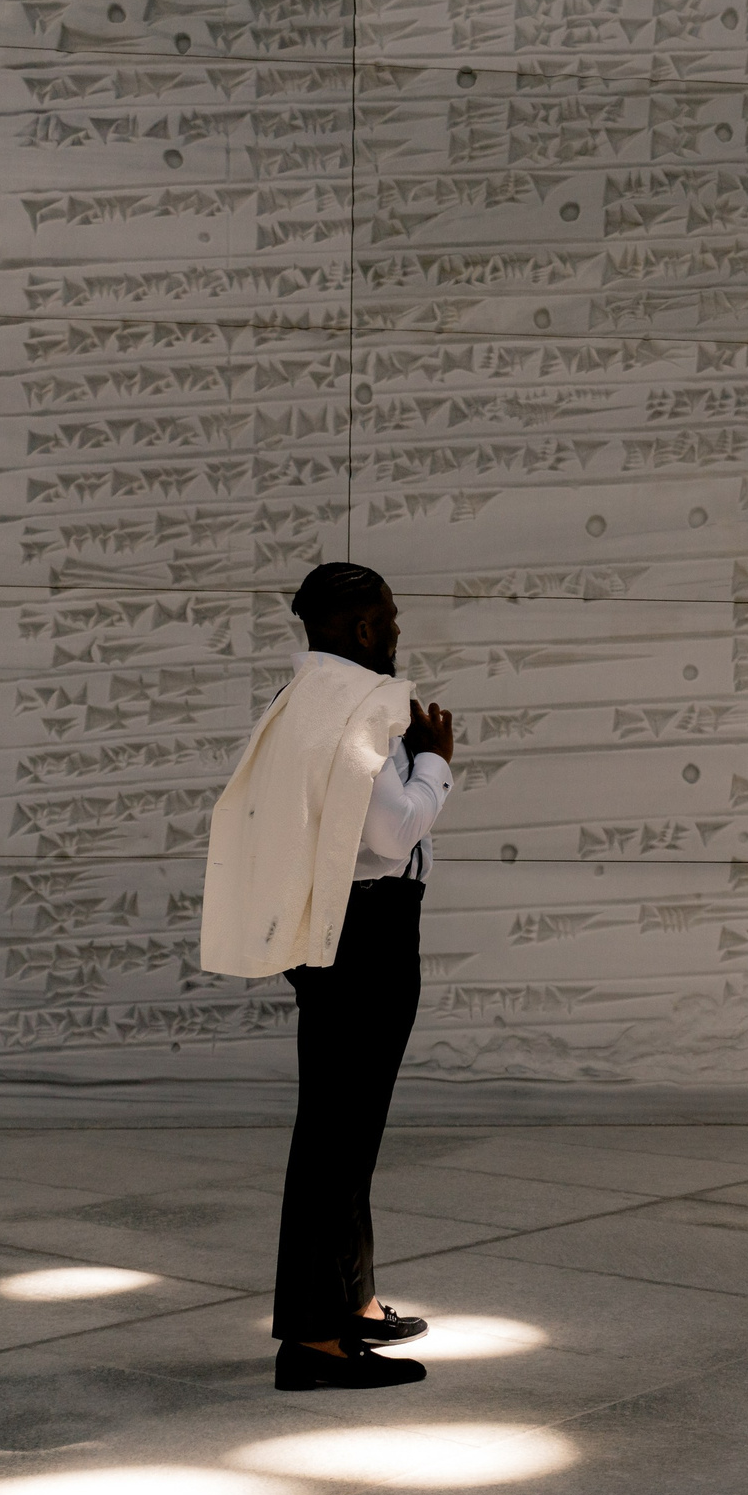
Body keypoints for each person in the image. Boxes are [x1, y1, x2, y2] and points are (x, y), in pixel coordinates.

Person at [201, 562, 454, 1390]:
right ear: (358, 629)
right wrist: (435, 762)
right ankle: (310, 1342)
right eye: (388, 619)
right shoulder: (354, 707)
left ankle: (350, 1301)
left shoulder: (299, 701)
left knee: (347, 1133)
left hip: (338, 936)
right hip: (368, 935)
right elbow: (390, 831)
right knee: (335, 1140)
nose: (396, 632)